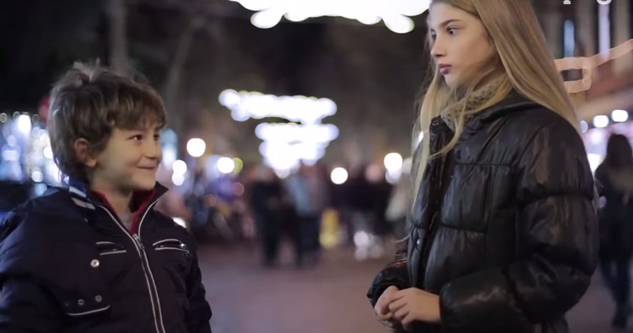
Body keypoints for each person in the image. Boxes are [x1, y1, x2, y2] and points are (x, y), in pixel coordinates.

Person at [367, 1, 599, 332]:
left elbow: (560, 270)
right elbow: (422, 244)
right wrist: (392, 284)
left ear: (498, 33)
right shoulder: (440, 136)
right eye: (433, 33)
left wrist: (445, 307)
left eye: (452, 30)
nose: (436, 49)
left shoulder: (543, 135)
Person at [0, 63, 212, 333]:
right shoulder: (39, 235)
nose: (154, 152)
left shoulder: (172, 237)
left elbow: (197, 323)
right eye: (137, 137)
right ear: (86, 152)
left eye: (155, 136)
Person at [595, 134, 633, 330]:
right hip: (630, 227)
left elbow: (595, 195)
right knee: (623, 268)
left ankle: (622, 304)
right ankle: (623, 305)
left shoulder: (604, 170)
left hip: (610, 228)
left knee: (606, 267)